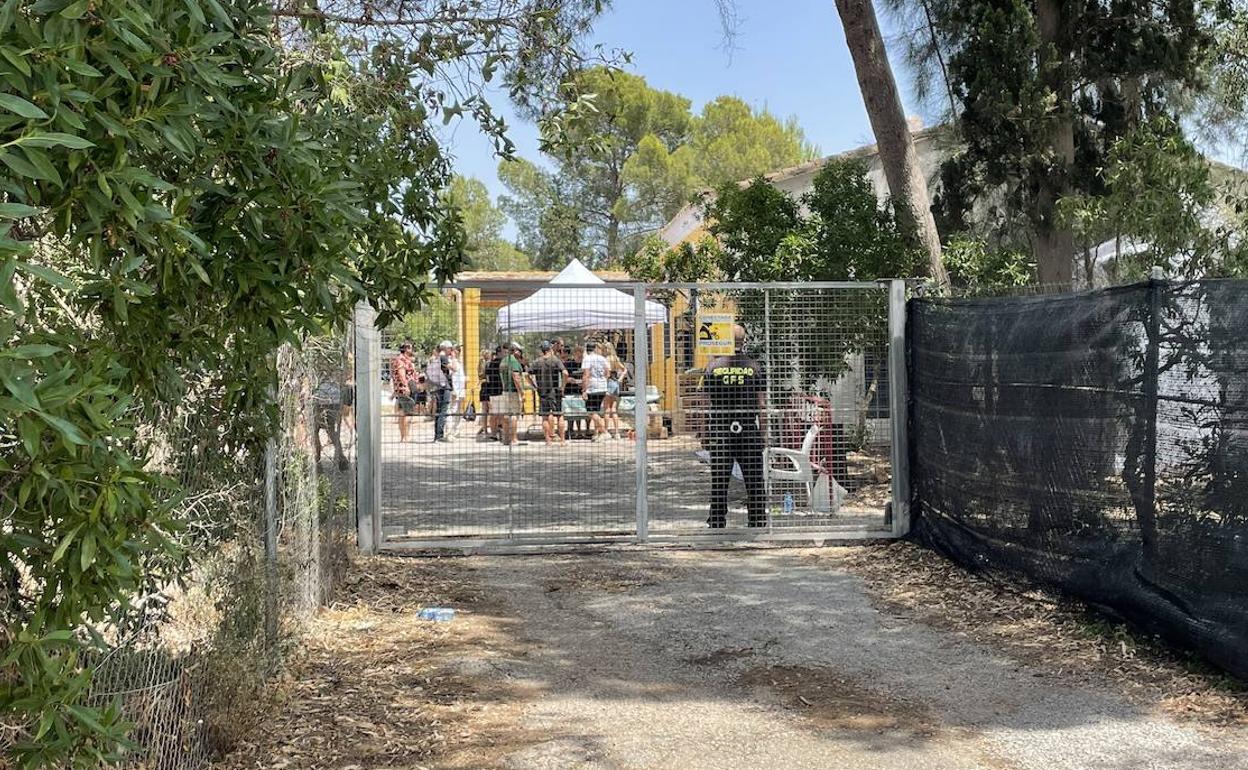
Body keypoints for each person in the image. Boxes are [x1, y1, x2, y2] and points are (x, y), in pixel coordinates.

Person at [702, 324, 767, 528]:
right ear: (743, 340)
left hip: (721, 429)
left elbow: (706, 402)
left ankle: (717, 519)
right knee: (754, 477)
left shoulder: (713, 367)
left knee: (720, 478)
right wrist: (763, 433)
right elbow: (761, 404)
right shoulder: (754, 366)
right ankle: (757, 518)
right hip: (748, 429)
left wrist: (705, 431)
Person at [529, 340, 567, 446]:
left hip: (542, 392)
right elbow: (565, 373)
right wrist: (562, 386)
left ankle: (548, 441)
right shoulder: (555, 360)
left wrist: (533, 385)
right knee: (559, 415)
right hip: (555, 391)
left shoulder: (537, 362)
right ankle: (563, 441)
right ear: (550, 348)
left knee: (545, 417)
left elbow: (527, 374)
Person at [495, 341, 526, 446]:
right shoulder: (513, 362)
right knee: (514, 415)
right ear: (515, 350)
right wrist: (522, 392)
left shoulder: (503, 361)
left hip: (504, 391)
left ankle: (506, 438)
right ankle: (514, 439)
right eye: (519, 350)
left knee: (506, 415)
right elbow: (516, 377)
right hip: (512, 391)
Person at [581, 341, 610, 441]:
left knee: (591, 411)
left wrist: (584, 389)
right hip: (602, 386)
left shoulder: (587, 359)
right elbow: (608, 372)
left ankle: (605, 432)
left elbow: (586, 375)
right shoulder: (602, 358)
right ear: (595, 348)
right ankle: (597, 433)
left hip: (592, 387)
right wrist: (603, 379)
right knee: (596, 411)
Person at [425, 341, 454, 443]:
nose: (452, 350)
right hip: (444, 387)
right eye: (450, 348)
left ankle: (437, 435)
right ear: (446, 348)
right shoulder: (444, 358)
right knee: (443, 410)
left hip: (437, 387)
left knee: (438, 410)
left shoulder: (435, 358)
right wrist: (453, 359)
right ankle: (440, 435)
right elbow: (454, 368)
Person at [390, 342, 418, 443]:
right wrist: (406, 386)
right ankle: (406, 436)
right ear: (406, 349)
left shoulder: (401, 359)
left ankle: (403, 437)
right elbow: (401, 374)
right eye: (411, 348)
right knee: (407, 413)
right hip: (406, 388)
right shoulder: (401, 360)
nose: (412, 350)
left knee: (402, 413)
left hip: (400, 389)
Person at [601, 342, 629, 440]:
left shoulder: (605, 359)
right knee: (614, 409)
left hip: (608, 383)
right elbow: (624, 370)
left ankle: (606, 431)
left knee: (607, 409)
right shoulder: (616, 358)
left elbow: (606, 373)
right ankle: (617, 433)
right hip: (616, 383)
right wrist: (620, 379)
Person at [481, 345, 504, 440]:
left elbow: (487, 377)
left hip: (492, 390)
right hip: (500, 390)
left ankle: (494, 433)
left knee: (494, 412)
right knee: (500, 413)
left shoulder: (490, 364)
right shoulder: (502, 363)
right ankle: (499, 431)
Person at [449, 345, 468, 439]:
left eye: (458, 350)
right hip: (455, 389)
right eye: (455, 350)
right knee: (453, 409)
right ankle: (450, 432)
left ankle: (456, 429)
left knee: (459, 410)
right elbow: (451, 374)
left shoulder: (459, 361)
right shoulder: (450, 361)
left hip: (461, 389)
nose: (457, 352)